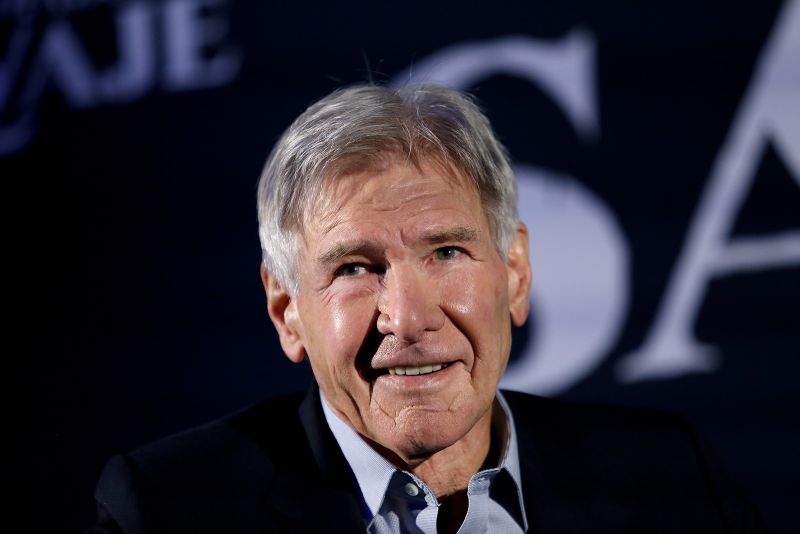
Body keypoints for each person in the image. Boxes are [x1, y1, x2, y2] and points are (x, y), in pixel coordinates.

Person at [88, 84, 765, 533]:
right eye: (354, 268)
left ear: (516, 273)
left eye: (446, 252)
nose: (408, 319)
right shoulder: (168, 511)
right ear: (287, 310)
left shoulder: (669, 478)